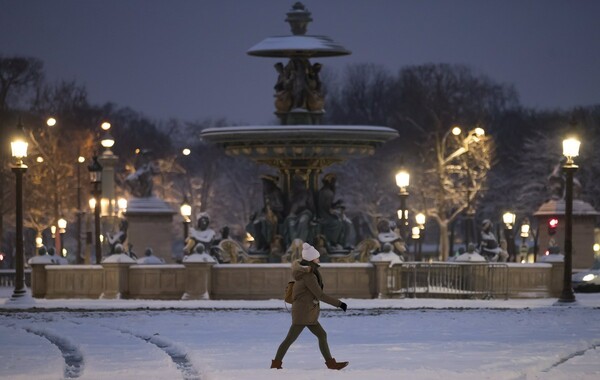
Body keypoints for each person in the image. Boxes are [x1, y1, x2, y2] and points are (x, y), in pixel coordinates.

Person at [271, 243, 349, 370]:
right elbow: (320, 295)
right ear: (312, 259)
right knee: (290, 339)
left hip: (306, 311)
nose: (319, 259)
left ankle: (331, 364)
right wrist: (339, 304)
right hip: (303, 313)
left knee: (321, 335)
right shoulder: (309, 276)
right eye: (317, 257)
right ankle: (275, 365)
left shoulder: (307, 272)